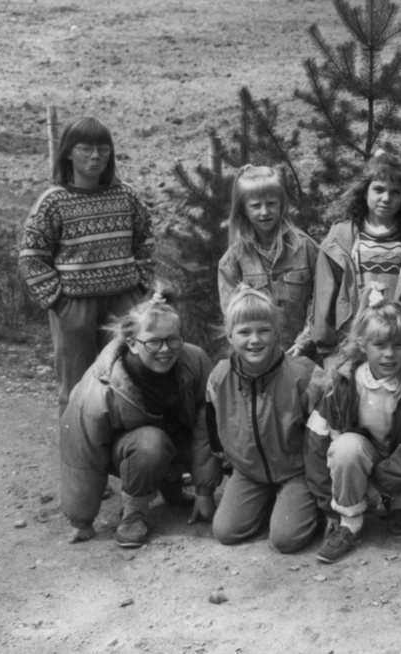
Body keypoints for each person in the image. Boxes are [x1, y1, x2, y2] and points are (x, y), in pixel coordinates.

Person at [59, 286, 220, 548]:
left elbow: (206, 424)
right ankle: (135, 512)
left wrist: (205, 491)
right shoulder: (102, 385)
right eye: (153, 342)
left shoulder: (196, 360)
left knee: (208, 429)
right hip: (130, 451)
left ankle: (172, 487)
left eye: (173, 340)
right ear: (132, 344)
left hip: (172, 440)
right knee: (151, 443)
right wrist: (82, 519)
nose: (165, 350)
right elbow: (82, 449)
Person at [305, 292, 401, 563]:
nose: (389, 354)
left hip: (394, 466)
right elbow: (317, 438)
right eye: (380, 345)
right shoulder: (343, 381)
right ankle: (349, 522)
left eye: (398, 345)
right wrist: (326, 504)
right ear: (363, 345)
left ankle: (396, 502)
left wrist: (380, 483)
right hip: (363, 459)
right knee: (346, 448)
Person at [20, 117, 156, 416]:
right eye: (86, 149)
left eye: (103, 150)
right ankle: (76, 460)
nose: (95, 156)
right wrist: (57, 301)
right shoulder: (53, 202)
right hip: (74, 307)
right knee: (76, 386)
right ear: (68, 152)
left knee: (128, 379)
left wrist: (142, 288)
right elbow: (32, 255)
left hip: (124, 302)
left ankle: (123, 456)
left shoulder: (126, 196)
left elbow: (145, 239)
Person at [206, 287, 319, 553]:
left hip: (296, 471)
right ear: (230, 336)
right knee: (226, 532)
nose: (254, 340)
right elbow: (212, 429)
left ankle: (303, 503)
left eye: (263, 330)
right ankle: (270, 501)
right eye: (244, 332)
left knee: (285, 540)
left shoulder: (303, 375)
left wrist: (325, 493)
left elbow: (324, 440)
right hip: (250, 472)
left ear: (277, 332)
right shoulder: (219, 377)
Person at [312, 153, 401, 359]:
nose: (386, 198)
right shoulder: (341, 239)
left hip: (398, 349)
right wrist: (325, 347)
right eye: (378, 189)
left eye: (395, 192)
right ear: (364, 192)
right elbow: (325, 296)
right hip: (351, 347)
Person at [218, 165, 318, 359]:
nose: (264, 212)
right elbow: (233, 317)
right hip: (258, 360)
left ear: (282, 204)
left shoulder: (306, 248)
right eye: (255, 205)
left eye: (271, 203)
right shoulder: (233, 260)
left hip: (305, 355)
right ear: (244, 209)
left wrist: (304, 340)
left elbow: (321, 301)